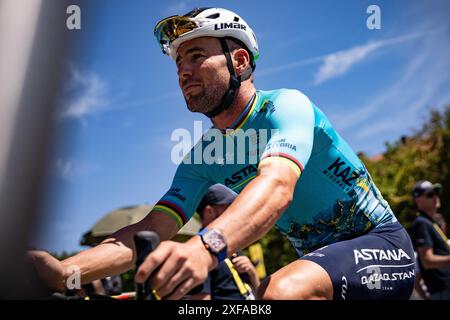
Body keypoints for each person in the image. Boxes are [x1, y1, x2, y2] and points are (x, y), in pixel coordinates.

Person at [29, 7, 415, 300]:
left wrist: (206, 246)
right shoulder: (200, 158)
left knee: (277, 294)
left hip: (383, 245)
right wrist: (65, 271)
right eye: (178, 62)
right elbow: (151, 230)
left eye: (195, 55)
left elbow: (278, 186)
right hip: (320, 261)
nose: (182, 70)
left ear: (240, 61)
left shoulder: (287, 107)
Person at [186, 184, 260, 300]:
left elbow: (259, 293)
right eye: (228, 208)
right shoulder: (199, 252)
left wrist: (252, 273)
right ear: (209, 212)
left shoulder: (231, 246)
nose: (235, 213)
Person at [410, 180, 450, 299]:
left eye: (436, 193)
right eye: (430, 194)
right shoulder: (421, 223)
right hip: (442, 293)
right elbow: (427, 260)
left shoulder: (431, 223)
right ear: (418, 200)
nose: (436, 197)